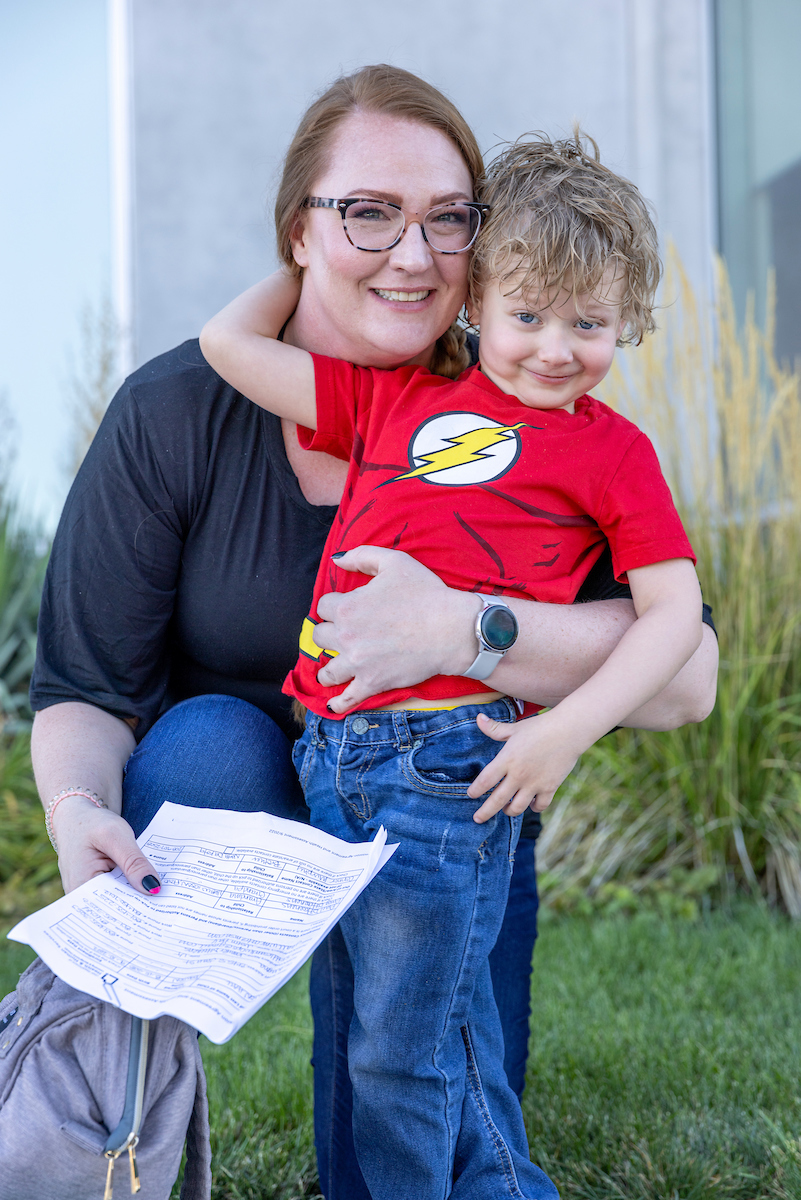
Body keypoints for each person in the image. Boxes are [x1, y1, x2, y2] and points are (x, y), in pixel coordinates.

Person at [30, 66, 718, 1200]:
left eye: (449, 219)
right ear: (299, 225)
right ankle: (124, 1102)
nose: (412, 254)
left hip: (443, 783)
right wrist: (78, 814)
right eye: (365, 212)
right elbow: (83, 692)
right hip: (246, 790)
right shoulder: (186, 413)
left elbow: (684, 674)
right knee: (205, 740)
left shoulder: (528, 408)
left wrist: (466, 631)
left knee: (405, 1115)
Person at [199, 132, 704, 1199]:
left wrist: (566, 727)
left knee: (403, 1054)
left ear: (629, 320)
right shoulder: (398, 399)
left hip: (441, 761)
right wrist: (312, 251)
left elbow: (673, 621)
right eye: (527, 315)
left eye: (592, 322)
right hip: (331, 756)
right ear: (474, 302)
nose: (556, 349)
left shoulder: (611, 451)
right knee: (435, 1044)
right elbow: (226, 343)